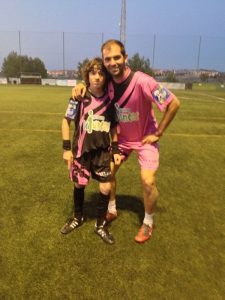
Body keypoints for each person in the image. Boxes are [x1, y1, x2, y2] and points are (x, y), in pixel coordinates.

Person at [72, 40, 180, 243]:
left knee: (148, 181)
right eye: (108, 59)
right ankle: (112, 209)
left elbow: (173, 103)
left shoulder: (142, 81)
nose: (113, 63)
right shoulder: (108, 82)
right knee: (108, 173)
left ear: (125, 58)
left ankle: (148, 222)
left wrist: (159, 132)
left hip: (144, 139)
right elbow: (91, 86)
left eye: (117, 57)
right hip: (120, 141)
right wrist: (80, 86)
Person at [61, 57, 121, 245]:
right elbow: (66, 121)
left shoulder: (111, 102)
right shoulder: (79, 97)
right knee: (79, 185)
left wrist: (116, 149)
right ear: (87, 75)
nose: (97, 77)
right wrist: (66, 149)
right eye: (93, 73)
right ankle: (78, 217)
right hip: (81, 152)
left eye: (101, 73)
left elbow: (113, 128)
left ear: (106, 77)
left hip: (102, 153)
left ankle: (100, 225)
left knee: (106, 187)